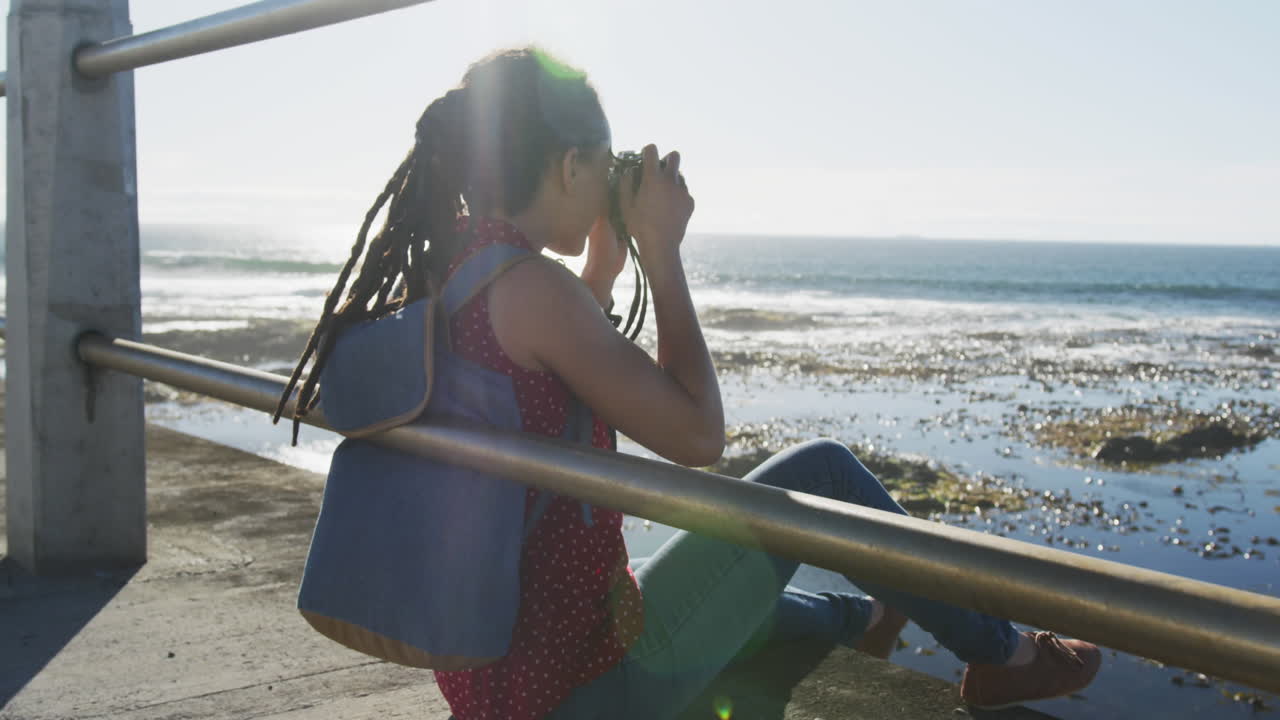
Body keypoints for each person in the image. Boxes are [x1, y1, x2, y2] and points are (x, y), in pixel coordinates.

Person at [280, 47, 1102, 720]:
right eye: (603, 166)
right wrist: (664, 256)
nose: (612, 181)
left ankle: (868, 617)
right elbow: (698, 439)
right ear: (571, 164)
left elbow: (537, 375)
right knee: (816, 473)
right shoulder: (536, 292)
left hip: (504, 682)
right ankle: (1004, 656)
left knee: (724, 587)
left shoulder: (458, 276)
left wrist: (602, 266)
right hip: (588, 693)